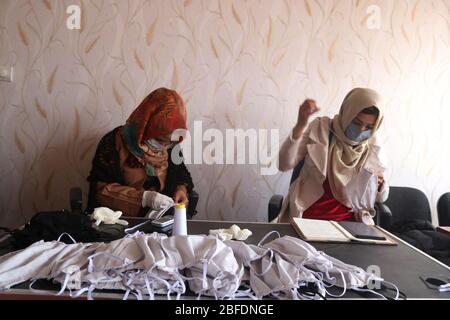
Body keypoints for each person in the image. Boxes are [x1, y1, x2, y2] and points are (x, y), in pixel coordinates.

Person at [273, 88, 389, 224]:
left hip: (350, 224)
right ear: (347, 114)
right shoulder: (320, 128)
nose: (361, 130)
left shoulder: (373, 144)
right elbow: (284, 164)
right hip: (309, 217)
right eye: (357, 123)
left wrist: (380, 186)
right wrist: (300, 126)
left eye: (369, 126)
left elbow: (382, 197)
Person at [86, 87, 194, 217]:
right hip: (120, 221)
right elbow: (100, 190)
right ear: (146, 126)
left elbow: (181, 176)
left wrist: (181, 190)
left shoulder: (171, 146)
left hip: (161, 223)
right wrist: (144, 198)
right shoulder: (113, 142)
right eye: (160, 139)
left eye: (170, 142)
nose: (165, 146)